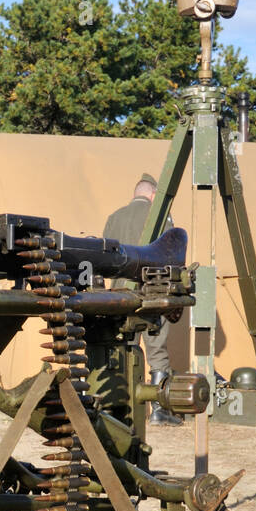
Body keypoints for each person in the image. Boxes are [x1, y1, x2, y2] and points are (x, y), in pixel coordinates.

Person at [103, 174, 182, 426]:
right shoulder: (159, 215)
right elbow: (171, 254)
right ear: (152, 196)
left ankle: (117, 410)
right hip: (152, 293)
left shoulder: (114, 217)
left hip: (119, 296)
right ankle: (159, 410)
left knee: (121, 350)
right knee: (156, 349)